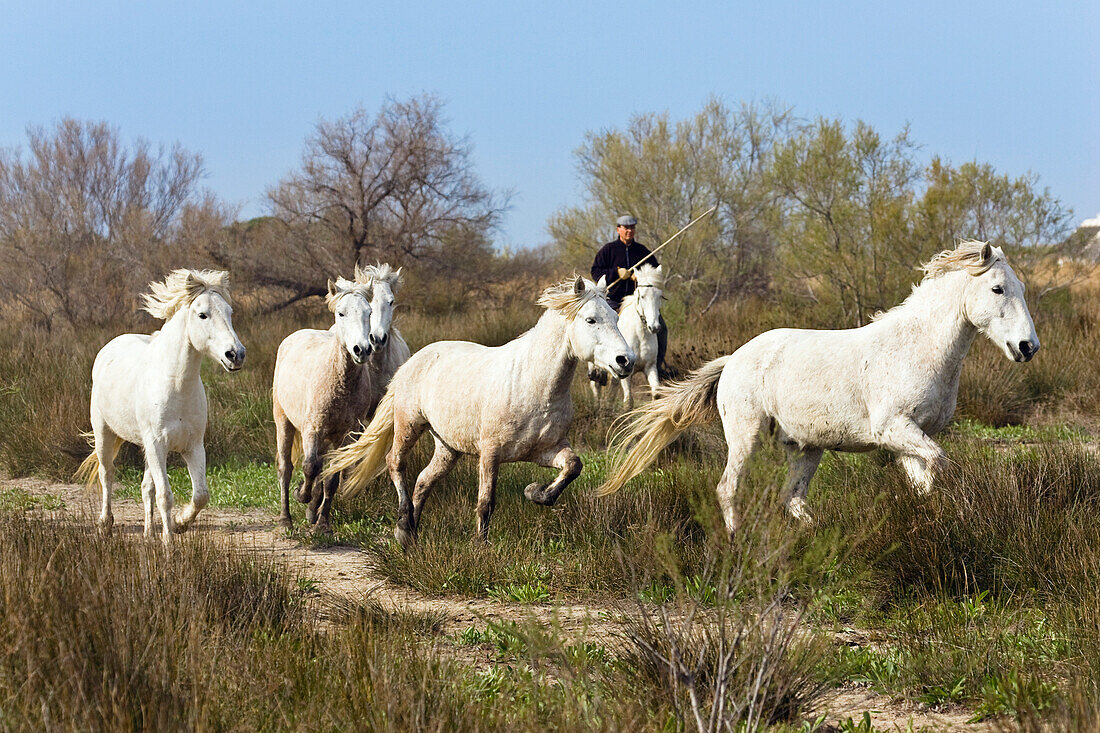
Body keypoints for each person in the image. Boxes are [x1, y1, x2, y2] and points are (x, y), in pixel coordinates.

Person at [590, 214, 669, 378]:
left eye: (632, 228)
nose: (629, 231)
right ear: (618, 229)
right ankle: (600, 369)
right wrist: (615, 273)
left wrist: (641, 277)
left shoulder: (642, 251)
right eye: (626, 228)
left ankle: (658, 365)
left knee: (662, 328)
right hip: (614, 300)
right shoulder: (608, 250)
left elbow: (655, 273)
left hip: (638, 302)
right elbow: (596, 271)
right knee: (603, 327)